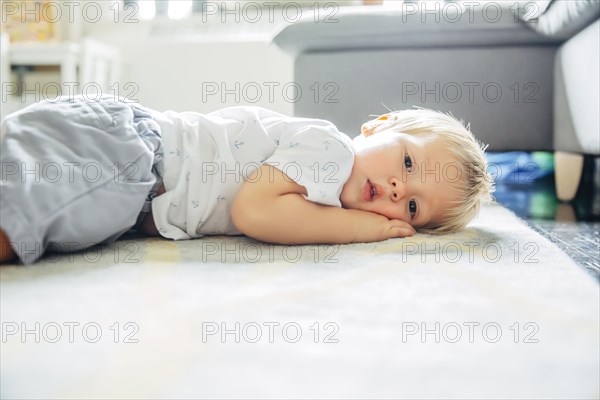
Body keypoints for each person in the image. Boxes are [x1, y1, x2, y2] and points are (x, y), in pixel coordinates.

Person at [0, 95, 493, 265]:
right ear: (379, 126)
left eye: (412, 208)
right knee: (19, 222)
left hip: (129, 176)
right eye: (407, 165)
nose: (396, 190)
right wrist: (369, 229)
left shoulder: (326, 194)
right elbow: (253, 211)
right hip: (131, 157)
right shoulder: (332, 151)